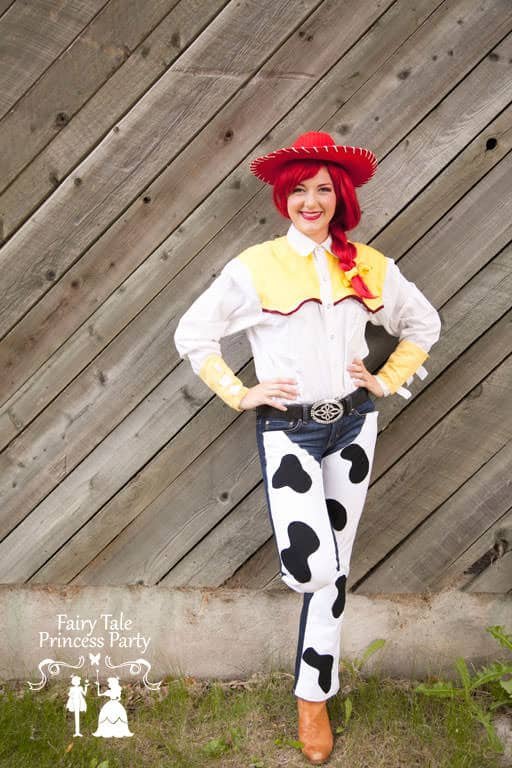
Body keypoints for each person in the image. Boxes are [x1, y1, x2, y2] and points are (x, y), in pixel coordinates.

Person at [174, 131, 441, 764]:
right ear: (283, 197)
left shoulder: (372, 265)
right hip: (289, 431)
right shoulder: (256, 266)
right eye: (299, 190)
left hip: (352, 426)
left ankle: (312, 696)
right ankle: (311, 649)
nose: (311, 200)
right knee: (314, 569)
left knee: (336, 575)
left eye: (323, 189)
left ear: (340, 195)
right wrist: (240, 393)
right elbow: (194, 333)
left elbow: (422, 324)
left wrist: (386, 378)